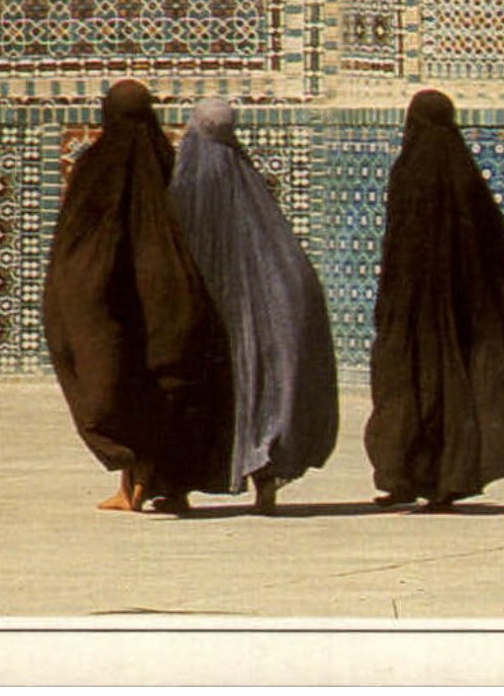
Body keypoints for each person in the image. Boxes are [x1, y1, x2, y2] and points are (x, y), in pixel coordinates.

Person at [42, 79, 234, 514]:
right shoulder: (170, 162)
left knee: (117, 378)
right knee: (169, 385)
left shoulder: (96, 165)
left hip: (113, 295)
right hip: (170, 294)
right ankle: (168, 485)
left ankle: (134, 483)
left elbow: (78, 241)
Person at [365, 88, 504, 510]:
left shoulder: (408, 170)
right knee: (455, 390)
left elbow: (396, 246)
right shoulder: (465, 175)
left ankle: (403, 477)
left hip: (412, 310)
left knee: (404, 389)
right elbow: (494, 246)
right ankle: (446, 481)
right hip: (462, 309)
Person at [168, 98, 339, 515]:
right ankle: (265, 479)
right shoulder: (250, 184)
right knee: (260, 391)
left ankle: (176, 489)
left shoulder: (185, 183)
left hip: (205, 312)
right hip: (256, 312)